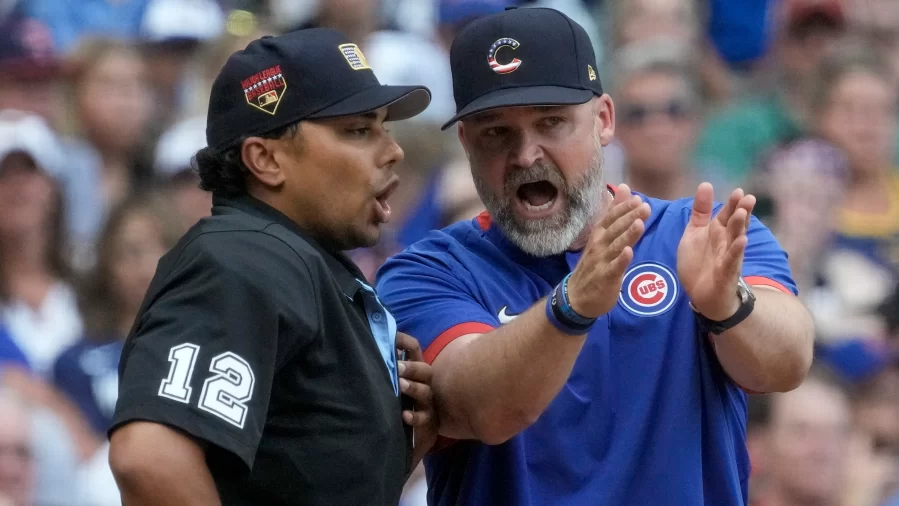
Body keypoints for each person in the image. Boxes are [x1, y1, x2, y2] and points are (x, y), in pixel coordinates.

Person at [375, 7, 815, 505]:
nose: (526, 155)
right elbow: (479, 410)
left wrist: (727, 306)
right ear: (466, 143)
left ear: (603, 120)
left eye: (552, 122)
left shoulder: (699, 233)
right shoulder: (429, 269)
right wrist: (573, 304)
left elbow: (788, 363)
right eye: (496, 132)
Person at [107, 28, 437, 505]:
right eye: (359, 130)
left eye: (385, 126)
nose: (393, 150)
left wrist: (395, 445)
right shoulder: (240, 259)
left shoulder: (301, 263)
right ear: (265, 159)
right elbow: (150, 458)